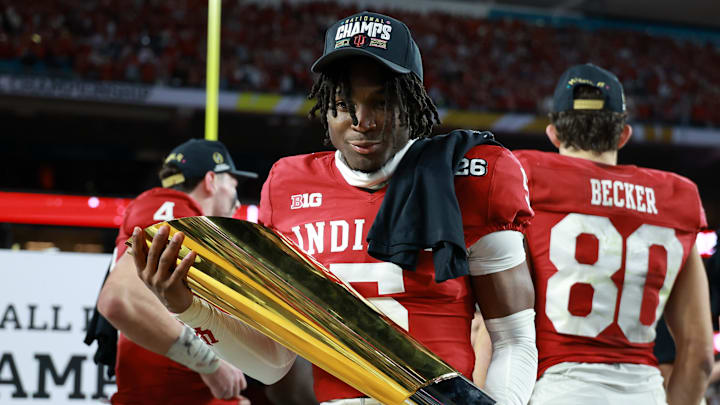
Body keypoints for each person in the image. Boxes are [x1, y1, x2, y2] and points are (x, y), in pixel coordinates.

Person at [132, 11, 538, 405]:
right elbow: (274, 362)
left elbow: (514, 338)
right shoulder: (288, 185)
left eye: (381, 102)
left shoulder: (471, 175)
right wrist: (186, 307)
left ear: (413, 103)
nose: (361, 121)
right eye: (344, 104)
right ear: (326, 106)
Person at [513, 63, 714, 405]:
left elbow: (497, 326)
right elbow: (699, 357)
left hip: (559, 391)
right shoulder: (676, 197)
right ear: (623, 135)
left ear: (554, 134)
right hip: (643, 393)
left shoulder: (527, 180)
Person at [97, 139, 258, 405]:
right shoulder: (171, 209)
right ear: (211, 180)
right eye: (233, 183)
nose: (236, 196)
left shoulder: (179, 219)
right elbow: (119, 300)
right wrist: (210, 364)